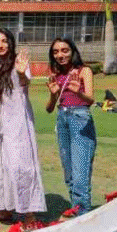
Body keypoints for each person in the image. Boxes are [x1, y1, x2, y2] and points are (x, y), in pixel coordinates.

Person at [0, 28, 46, 224]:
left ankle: (28, 212)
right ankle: (5, 209)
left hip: (18, 121)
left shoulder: (20, 63)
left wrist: (21, 73)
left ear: (10, 43)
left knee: (21, 164)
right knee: (0, 164)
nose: (0, 45)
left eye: (4, 41)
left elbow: (25, 84)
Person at [45, 37, 97, 215]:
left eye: (64, 50)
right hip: (62, 119)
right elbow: (49, 109)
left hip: (80, 119)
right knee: (69, 173)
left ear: (73, 51)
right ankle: (76, 210)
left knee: (80, 173)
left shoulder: (84, 71)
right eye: (56, 51)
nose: (60, 55)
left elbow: (90, 99)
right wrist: (53, 94)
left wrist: (79, 92)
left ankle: (83, 215)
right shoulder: (56, 75)